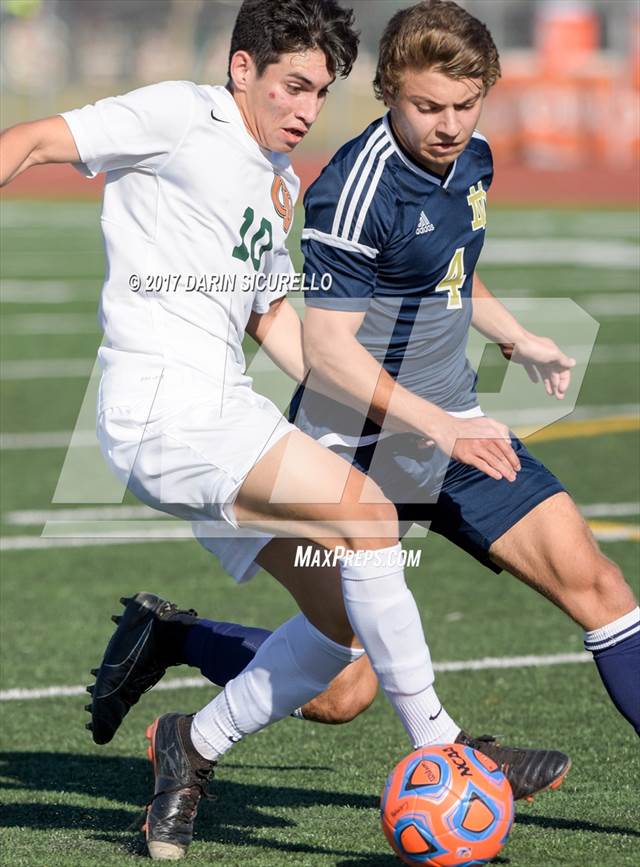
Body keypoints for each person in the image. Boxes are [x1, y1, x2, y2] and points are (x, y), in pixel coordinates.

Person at [1, 0, 575, 860]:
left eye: (320, 91)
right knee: (372, 517)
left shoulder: (274, 175)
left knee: (342, 638)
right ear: (242, 69)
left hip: (226, 415)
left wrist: (380, 409)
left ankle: (187, 748)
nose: (306, 109)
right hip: (162, 410)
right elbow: (31, 140)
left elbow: (276, 322)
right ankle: (445, 747)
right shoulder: (178, 114)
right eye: (293, 86)